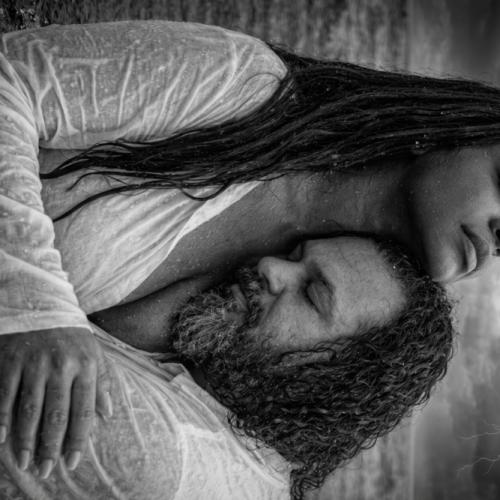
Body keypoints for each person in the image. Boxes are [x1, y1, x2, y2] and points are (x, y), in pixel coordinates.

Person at [0, 19, 493, 476]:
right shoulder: (244, 88)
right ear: (452, 129)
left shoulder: (330, 307)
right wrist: (35, 303)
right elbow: (11, 78)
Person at [0, 236, 455, 500]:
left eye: (311, 294)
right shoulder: (243, 457)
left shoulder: (166, 450)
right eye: (295, 254)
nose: (271, 266)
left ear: (334, 377)